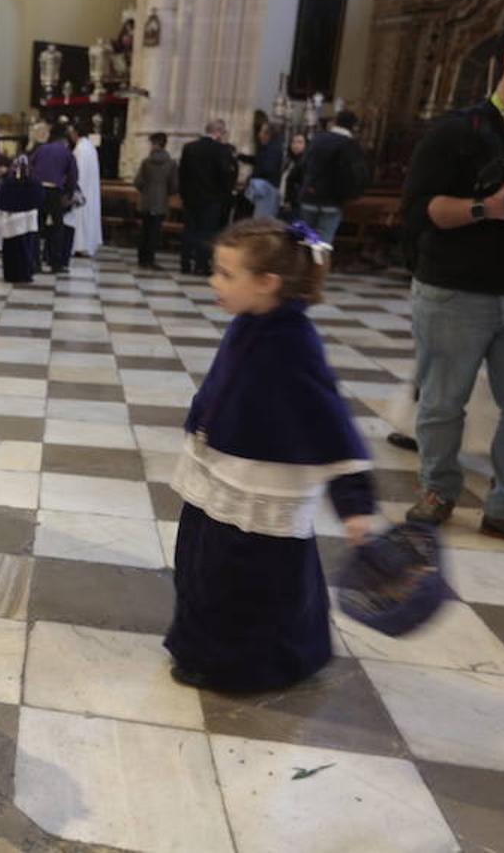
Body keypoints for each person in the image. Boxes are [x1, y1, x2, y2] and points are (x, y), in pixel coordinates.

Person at [166, 218, 375, 692]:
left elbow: (330, 424)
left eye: (225, 273)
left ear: (267, 283)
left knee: (248, 584)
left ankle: (250, 666)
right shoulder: (249, 323)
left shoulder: (294, 343)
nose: (212, 281)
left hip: (263, 486)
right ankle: (200, 650)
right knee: (202, 570)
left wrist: (354, 503)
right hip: (219, 475)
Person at [400, 9, 504, 553]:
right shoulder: (458, 130)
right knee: (444, 402)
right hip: (455, 290)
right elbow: (421, 211)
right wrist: (489, 207)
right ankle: (437, 491)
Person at [178, 119, 238, 274]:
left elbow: (182, 174)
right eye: (223, 132)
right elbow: (226, 175)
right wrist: (225, 194)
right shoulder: (221, 150)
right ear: (218, 132)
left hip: (190, 198)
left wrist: (184, 195)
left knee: (189, 230)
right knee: (206, 232)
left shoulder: (189, 148)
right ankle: (201, 265)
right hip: (212, 199)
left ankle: (185, 263)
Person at [299, 110, 367, 244]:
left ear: (335, 122)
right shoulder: (350, 145)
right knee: (322, 243)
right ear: (353, 126)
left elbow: (303, 165)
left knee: (305, 240)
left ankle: (301, 263)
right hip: (332, 201)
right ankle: (319, 263)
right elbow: (355, 174)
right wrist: (351, 195)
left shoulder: (317, 139)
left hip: (309, 197)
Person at [28, 121, 78, 273]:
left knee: (36, 226)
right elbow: (73, 176)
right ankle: (55, 263)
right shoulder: (67, 153)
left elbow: (30, 166)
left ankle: (35, 263)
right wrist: (69, 194)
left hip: (37, 189)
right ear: (64, 141)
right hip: (55, 191)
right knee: (57, 228)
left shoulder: (41, 149)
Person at [0, 154, 44, 284]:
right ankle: (26, 273)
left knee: (11, 250)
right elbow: (40, 199)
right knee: (27, 249)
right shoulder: (34, 183)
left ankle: (11, 274)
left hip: (10, 222)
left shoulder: (8, 183)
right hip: (28, 221)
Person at [133, 131, 178, 270]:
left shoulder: (146, 162)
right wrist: (166, 192)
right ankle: (150, 260)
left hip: (146, 200)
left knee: (144, 230)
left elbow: (138, 182)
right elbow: (174, 185)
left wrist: (145, 191)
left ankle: (141, 259)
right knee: (155, 232)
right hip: (160, 201)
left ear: (154, 144)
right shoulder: (171, 163)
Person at [65, 121, 104, 257]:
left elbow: (78, 172)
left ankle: (79, 245)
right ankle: (85, 244)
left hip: (82, 190)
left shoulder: (81, 149)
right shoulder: (90, 147)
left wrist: (71, 189)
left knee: (79, 217)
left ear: (75, 133)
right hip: (89, 190)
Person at [240, 120, 284, 219]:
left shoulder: (272, 149)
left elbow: (266, 168)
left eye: (261, 132)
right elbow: (258, 161)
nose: (259, 135)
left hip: (266, 190)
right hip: (265, 189)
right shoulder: (269, 147)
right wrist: (242, 157)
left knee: (260, 221)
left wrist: (250, 178)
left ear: (268, 134)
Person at [278, 133, 307, 220]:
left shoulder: (304, 162)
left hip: (294, 205)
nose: (296, 145)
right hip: (283, 202)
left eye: (300, 142)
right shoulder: (290, 161)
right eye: (293, 142)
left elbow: (300, 184)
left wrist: (290, 200)